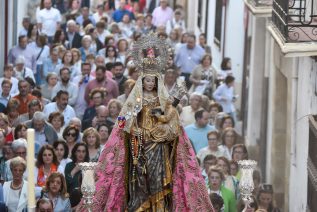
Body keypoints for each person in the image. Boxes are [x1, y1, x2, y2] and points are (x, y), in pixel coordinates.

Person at [77, 35, 213, 211]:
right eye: (146, 80)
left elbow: (168, 118)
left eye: (153, 80)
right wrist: (130, 125)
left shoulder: (161, 100)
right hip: (139, 146)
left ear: (157, 81)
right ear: (141, 81)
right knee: (139, 184)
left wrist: (175, 100)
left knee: (159, 183)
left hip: (158, 148)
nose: (149, 83)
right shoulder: (136, 100)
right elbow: (123, 122)